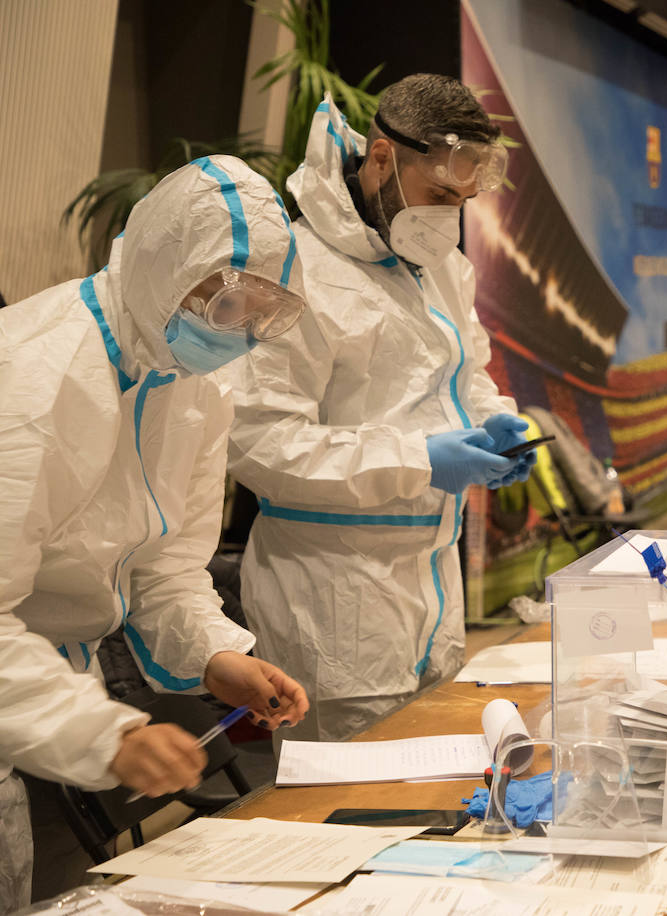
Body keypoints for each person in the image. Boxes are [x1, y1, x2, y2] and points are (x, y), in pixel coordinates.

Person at [0, 156, 311, 912]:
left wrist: (216, 654)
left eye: (259, 312)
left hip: (48, 693)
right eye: (224, 304)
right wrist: (104, 736)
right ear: (161, 267)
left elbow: (167, 571)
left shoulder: (192, 387)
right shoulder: (33, 382)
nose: (239, 332)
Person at [226, 76, 533, 744]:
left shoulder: (441, 267)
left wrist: (495, 426)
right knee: (345, 821)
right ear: (383, 158)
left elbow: (465, 373)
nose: (449, 217)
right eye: (440, 195)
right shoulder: (296, 268)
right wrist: (418, 459)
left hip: (430, 589)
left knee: (425, 808)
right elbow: (259, 442)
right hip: (333, 606)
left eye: (463, 201)